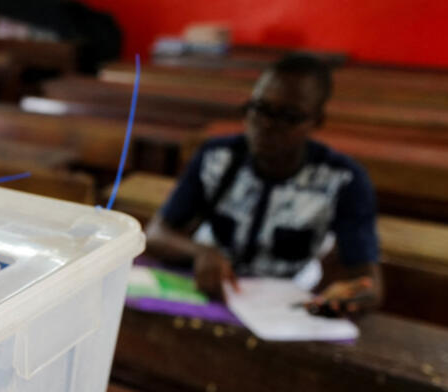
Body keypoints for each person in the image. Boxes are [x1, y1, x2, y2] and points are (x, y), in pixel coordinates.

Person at [146, 53, 382, 317]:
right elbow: (155, 234)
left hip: (283, 304)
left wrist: (354, 294)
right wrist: (200, 252)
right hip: (211, 292)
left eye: (289, 117)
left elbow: (367, 280)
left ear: (316, 121)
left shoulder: (343, 179)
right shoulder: (217, 156)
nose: (268, 125)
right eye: (260, 109)